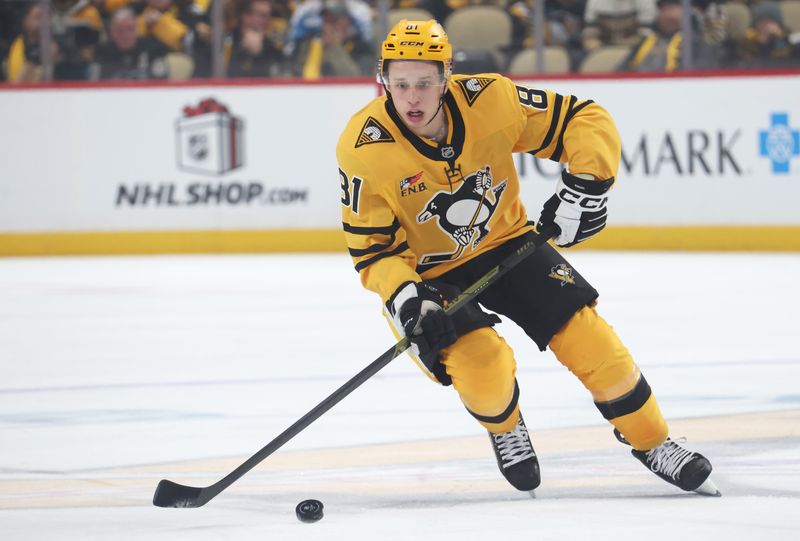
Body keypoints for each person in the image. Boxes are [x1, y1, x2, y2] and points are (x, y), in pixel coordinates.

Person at [336, 19, 720, 495]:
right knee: (483, 366)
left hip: (509, 242)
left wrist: (587, 186)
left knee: (593, 342)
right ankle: (505, 427)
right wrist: (409, 299)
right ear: (383, 80)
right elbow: (374, 252)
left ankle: (653, 441)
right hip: (430, 276)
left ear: (447, 78)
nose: (412, 97)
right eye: (400, 84)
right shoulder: (363, 147)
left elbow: (583, 119)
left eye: (424, 83)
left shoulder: (489, 100)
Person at [618, 0, 719, 72]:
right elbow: (622, 72)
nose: (666, 14)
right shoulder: (647, 42)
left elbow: (702, 71)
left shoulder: (694, 43)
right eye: (663, 10)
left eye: (671, 8)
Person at [226, 0, 286, 78]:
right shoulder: (225, 40)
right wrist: (242, 51)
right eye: (250, 13)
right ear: (240, 14)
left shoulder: (273, 48)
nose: (255, 20)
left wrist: (258, 54)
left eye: (263, 16)